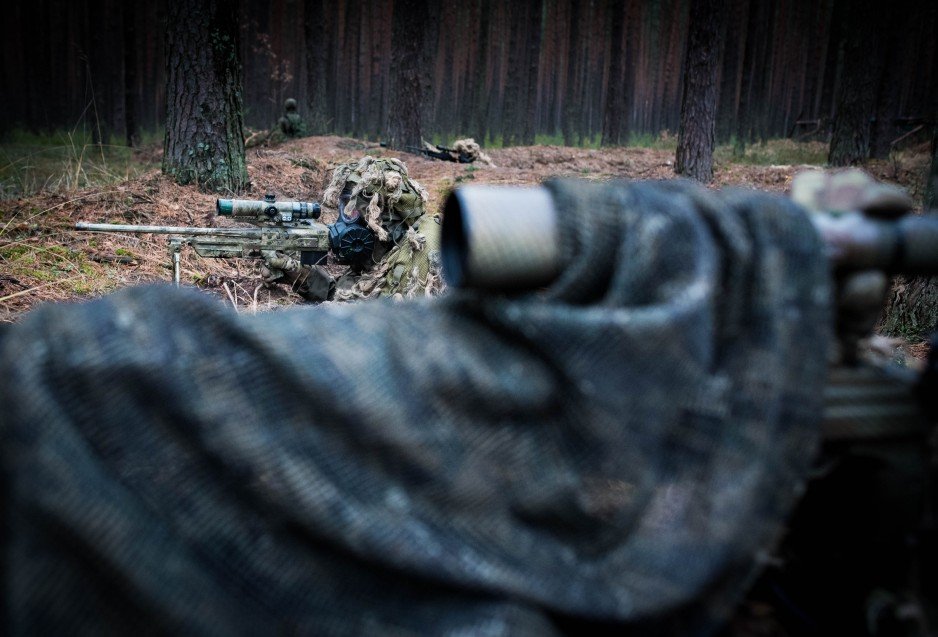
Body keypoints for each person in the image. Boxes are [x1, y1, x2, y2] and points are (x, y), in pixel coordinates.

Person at [4, 174, 902, 634]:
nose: (355, 216)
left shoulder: (407, 258)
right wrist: (302, 262)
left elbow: (378, 305)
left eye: (367, 209)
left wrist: (321, 274)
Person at [262, 155, 444, 302]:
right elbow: (348, 294)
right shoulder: (382, 250)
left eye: (353, 212)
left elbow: (374, 321)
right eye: (344, 209)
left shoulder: (420, 248)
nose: (344, 221)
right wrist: (297, 272)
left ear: (382, 215)